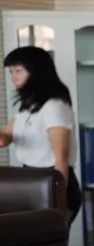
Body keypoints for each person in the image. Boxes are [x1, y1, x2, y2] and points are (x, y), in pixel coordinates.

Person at [1, 46, 82, 224]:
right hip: (31, 182)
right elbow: (5, 135)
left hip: (51, 183)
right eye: (11, 71)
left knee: (48, 238)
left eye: (18, 71)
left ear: (36, 71)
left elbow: (61, 156)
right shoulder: (29, 107)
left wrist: (59, 201)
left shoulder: (54, 106)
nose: (13, 77)